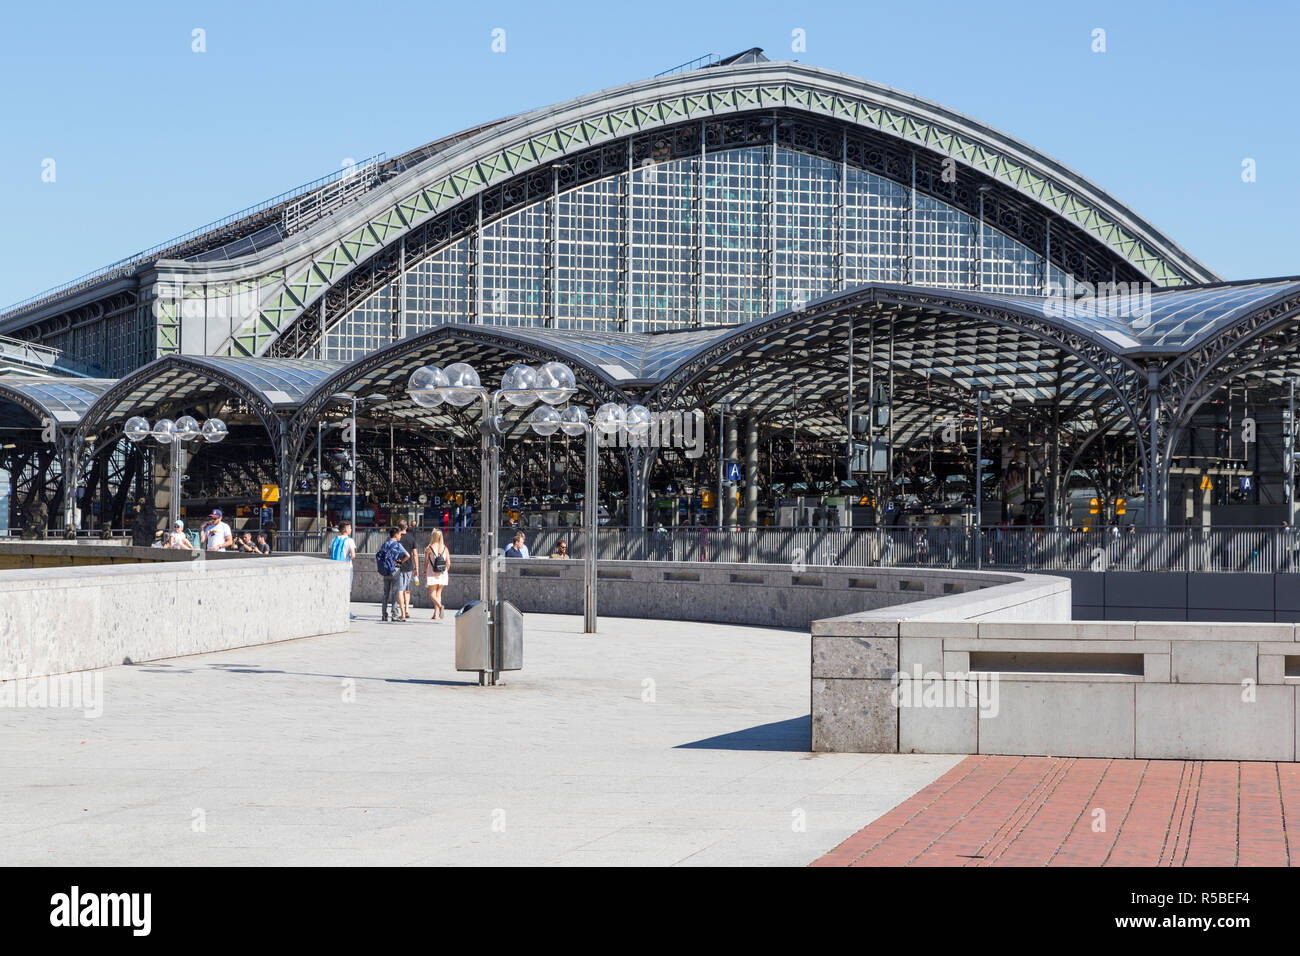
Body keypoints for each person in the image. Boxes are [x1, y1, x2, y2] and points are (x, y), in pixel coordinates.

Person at [376, 527, 409, 623]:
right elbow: (408, 555)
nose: (400, 536)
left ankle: (384, 615)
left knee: (385, 593)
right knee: (394, 593)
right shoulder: (398, 545)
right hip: (394, 570)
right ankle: (394, 615)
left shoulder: (385, 543)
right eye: (400, 534)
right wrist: (400, 562)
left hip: (385, 570)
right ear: (396, 535)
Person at [329, 520, 358, 620]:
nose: (351, 530)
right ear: (346, 529)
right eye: (350, 528)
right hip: (346, 568)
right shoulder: (349, 540)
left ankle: (335, 610)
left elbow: (328, 553)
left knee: (336, 589)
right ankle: (346, 611)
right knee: (346, 590)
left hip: (334, 568)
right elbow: (353, 555)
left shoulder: (334, 539)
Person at [423, 528, 451, 620]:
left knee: (432, 594)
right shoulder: (445, 548)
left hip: (432, 573)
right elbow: (448, 563)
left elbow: (426, 562)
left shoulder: (429, 548)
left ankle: (440, 606)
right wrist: (444, 571)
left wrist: (424, 572)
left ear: (433, 536)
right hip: (442, 573)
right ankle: (435, 614)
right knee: (438, 594)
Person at [395, 518, 416, 622]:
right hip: (409, 567)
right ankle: (407, 609)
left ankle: (402, 612)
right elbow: (415, 554)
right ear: (406, 527)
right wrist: (416, 568)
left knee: (400, 589)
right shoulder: (411, 539)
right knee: (407, 589)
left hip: (398, 566)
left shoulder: (396, 538)